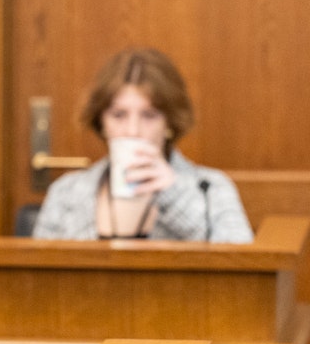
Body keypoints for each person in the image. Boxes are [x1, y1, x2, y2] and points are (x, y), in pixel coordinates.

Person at [32, 47, 253, 243]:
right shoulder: (66, 193)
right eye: (119, 115)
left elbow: (242, 268)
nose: (133, 130)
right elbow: (37, 281)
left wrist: (173, 194)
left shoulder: (210, 188)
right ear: (102, 121)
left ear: (169, 121)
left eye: (149, 115)